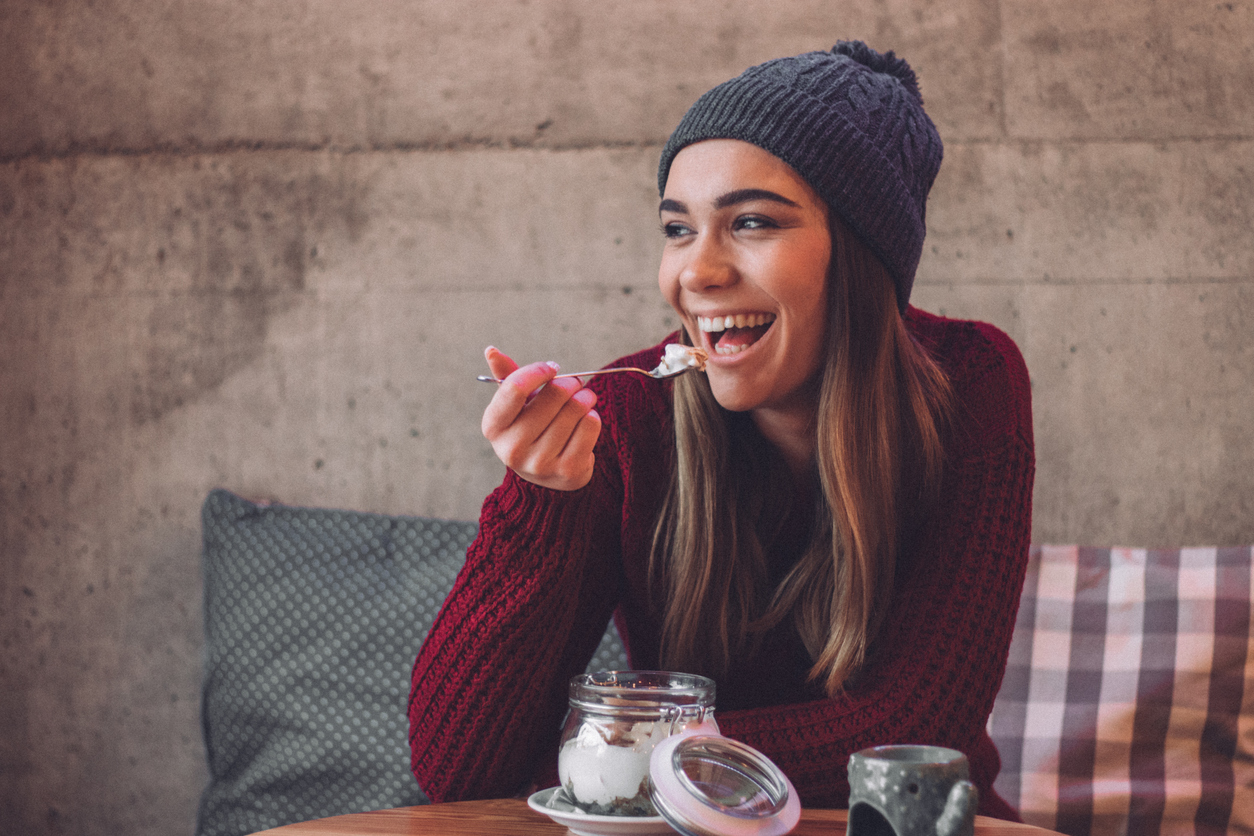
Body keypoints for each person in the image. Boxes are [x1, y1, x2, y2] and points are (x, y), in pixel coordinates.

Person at [409, 41, 1034, 820]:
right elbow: (459, 768)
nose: (696, 273)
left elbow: (909, 734)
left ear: (861, 254)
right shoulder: (627, 418)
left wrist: (628, 765)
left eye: (750, 222)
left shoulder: (971, 385)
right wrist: (542, 500)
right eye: (678, 229)